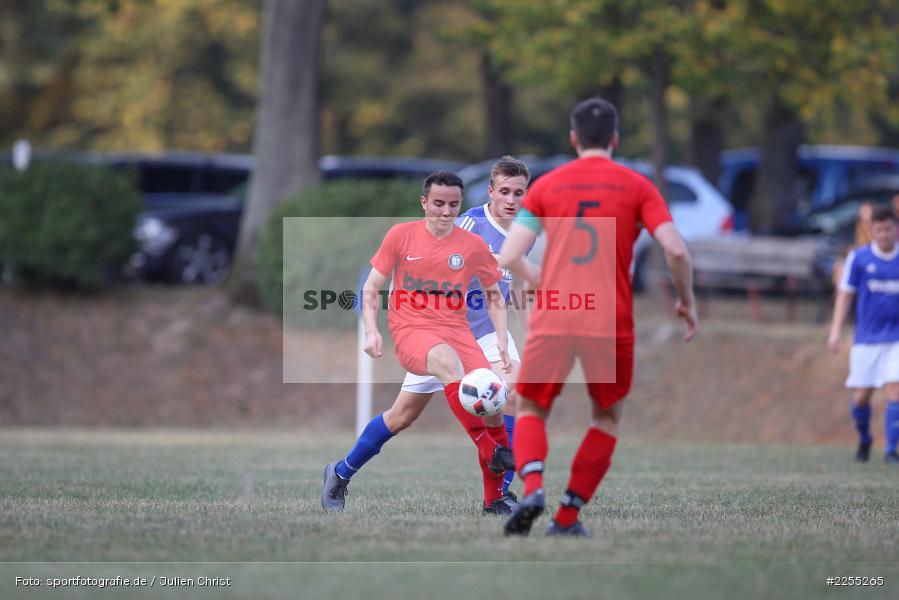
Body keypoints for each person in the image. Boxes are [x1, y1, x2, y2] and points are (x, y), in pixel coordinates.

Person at [498, 97, 698, 537]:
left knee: (532, 406)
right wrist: (686, 301)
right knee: (605, 418)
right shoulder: (638, 186)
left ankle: (532, 486)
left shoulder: (548, 186)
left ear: (573, 138)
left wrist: (537, 278)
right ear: (615, 139)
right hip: (608, 320)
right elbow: (677, 250)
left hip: (556, 315)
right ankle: (567, 516)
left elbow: (510, 254)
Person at [322, 170, 515, 514]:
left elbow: (493, 293)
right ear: (423, 202)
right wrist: (371, 329)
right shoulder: (401, 235)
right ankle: (488, 449)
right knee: (448, 363)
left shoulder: (471, 245)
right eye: (438, 203)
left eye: (453, 205)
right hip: (412, 330)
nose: (445, 211)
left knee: (414, 415)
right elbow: (372, 287)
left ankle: (340, 472)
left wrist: (501, 338)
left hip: (457, 332)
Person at [398, 156, 533, 509]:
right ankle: (341, 471)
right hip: (445, 332)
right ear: (490, 191)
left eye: (518, 193)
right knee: (403, 416)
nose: (511, 199)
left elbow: (515, 287)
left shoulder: (525, 234)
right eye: (504, 191)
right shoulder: (470, 224)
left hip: (489, 333)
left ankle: (499, 493)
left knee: (515, 395)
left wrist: (529, 331)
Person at [828, 205, 899, 464]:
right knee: (860, 398)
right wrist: (835, 331)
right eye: (878, 230)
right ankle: (865, 438)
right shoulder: (858, 259)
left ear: (896, 229)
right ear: (871, 230)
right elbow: (845, 295)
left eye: (888, 229)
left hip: (897, 338)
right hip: (867, 339)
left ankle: (891, 450)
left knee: (896, 389)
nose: (883, 234)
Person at [831, 202, 873, 289]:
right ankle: (842, 294)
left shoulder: (879, 227)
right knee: (839, 266)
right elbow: (845, 246)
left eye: (867, 212)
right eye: (862, 212)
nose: (864, 215)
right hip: (858, 259)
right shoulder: (856, 227)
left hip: (870, 260)